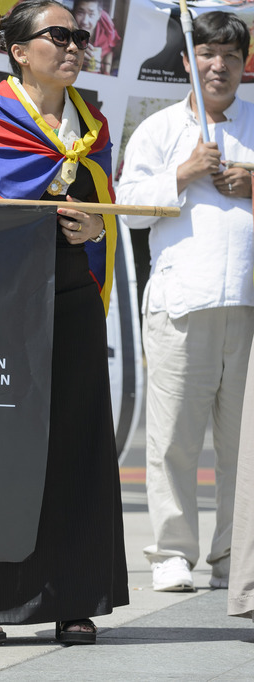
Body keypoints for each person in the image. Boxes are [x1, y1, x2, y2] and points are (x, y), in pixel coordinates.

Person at [0, 0, 127, 645]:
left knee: (76, 438)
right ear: (18, 50)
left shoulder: (91, 122)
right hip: (0, 302)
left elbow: (103, 200)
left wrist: (97, 223)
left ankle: (73, 596)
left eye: (80, 35)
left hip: (70, 293)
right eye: (57, 35)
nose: (72, 46)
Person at [118, 11, 254, 594]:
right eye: (206, 54)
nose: (217, 66)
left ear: (245, 66)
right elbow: (129, 209)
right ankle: (172, 551)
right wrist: (182, 173)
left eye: (229, 56)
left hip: (247, 304)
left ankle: (233, 552)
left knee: (240, 444)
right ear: (186, 64)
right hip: (181, 302)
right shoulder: (159, 128)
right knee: (173, 436)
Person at [72, 0, 119, 75]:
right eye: (80, 12)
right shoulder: (68, 31)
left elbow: (109, 50)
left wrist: (107, 72)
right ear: (74, 12)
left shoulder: (106, 30)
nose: (85, 21)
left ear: (99, 15)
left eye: (91, 15)